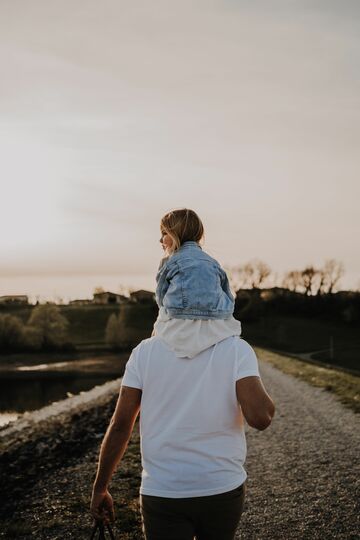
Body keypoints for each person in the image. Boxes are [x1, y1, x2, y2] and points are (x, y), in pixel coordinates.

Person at [90, 210, 275, 540]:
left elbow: (121, 425)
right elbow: (260, 417)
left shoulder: (145, 353)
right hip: (221, 488)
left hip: (164, 492)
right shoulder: (236, 350)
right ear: (219, 293)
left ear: (168, 291)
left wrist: (101, 487)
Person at [152, 208, 242, 358]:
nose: (160, 240)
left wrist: (162, 319)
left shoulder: (169, 261)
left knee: (158, 322)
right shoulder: (212, 262)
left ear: (176, 235)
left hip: (179, 316)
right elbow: (227, 292)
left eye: (164, 234)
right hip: (217, 317)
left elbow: (161, 296)